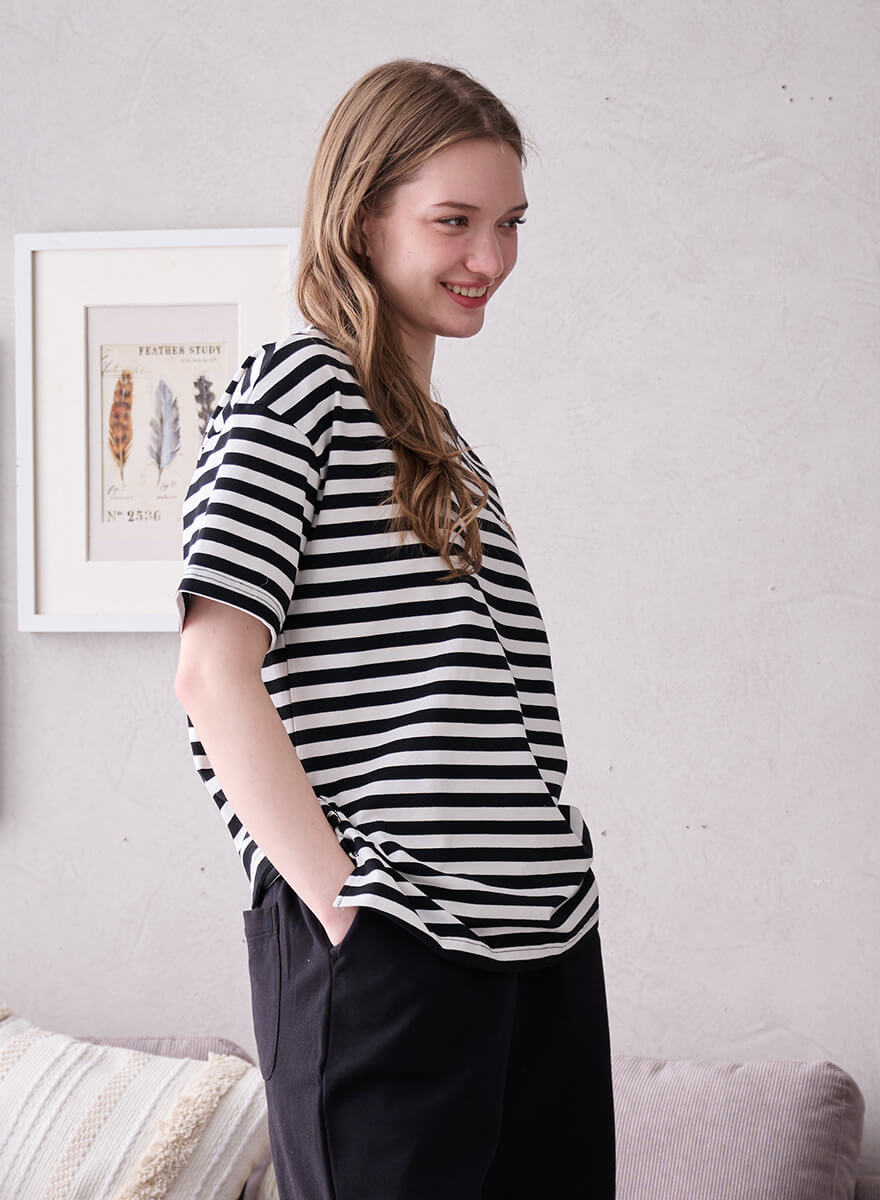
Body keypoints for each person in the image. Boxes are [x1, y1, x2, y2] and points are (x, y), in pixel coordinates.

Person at [174, 59, 615, 1200]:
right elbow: (212, 673)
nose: (491, 259)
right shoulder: (294, 390)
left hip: (542, 939)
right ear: (363, 218)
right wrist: (344, 905)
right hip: (394, 943)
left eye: (510, 224)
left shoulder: (445, 446)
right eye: (455, 221)